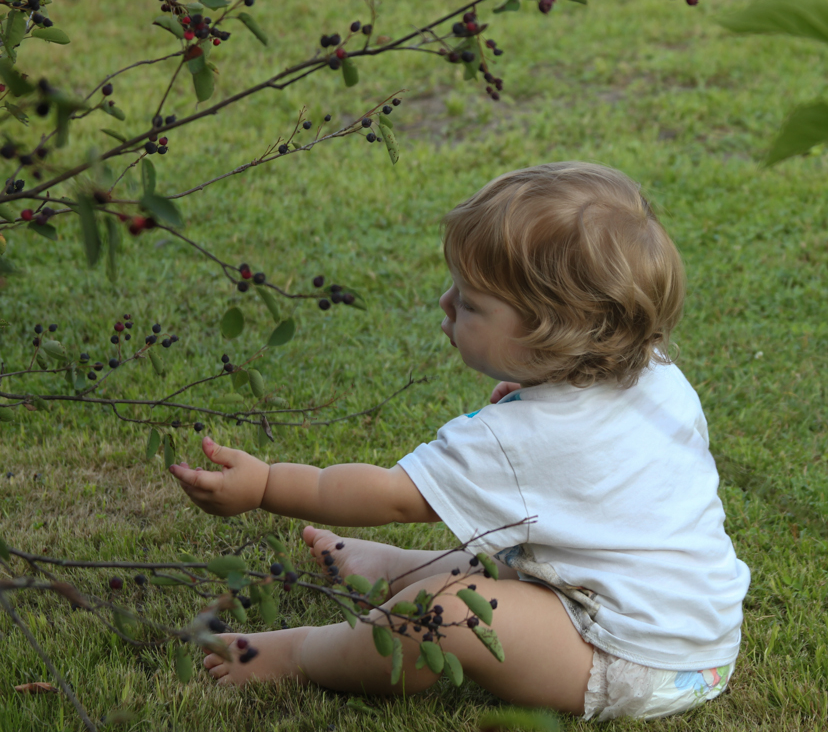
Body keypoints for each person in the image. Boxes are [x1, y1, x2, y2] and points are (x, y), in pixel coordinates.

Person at [168, 162, 751, 720]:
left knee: (448, 614)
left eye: (470, 303)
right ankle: (393, 570)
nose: (446, 304)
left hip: (628, 657)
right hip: (700, 638)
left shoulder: (520, 441)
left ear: (552, 337)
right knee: (514, 538)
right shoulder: (655, 372)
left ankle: (302, 654)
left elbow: (393, 496)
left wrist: (267, 483)